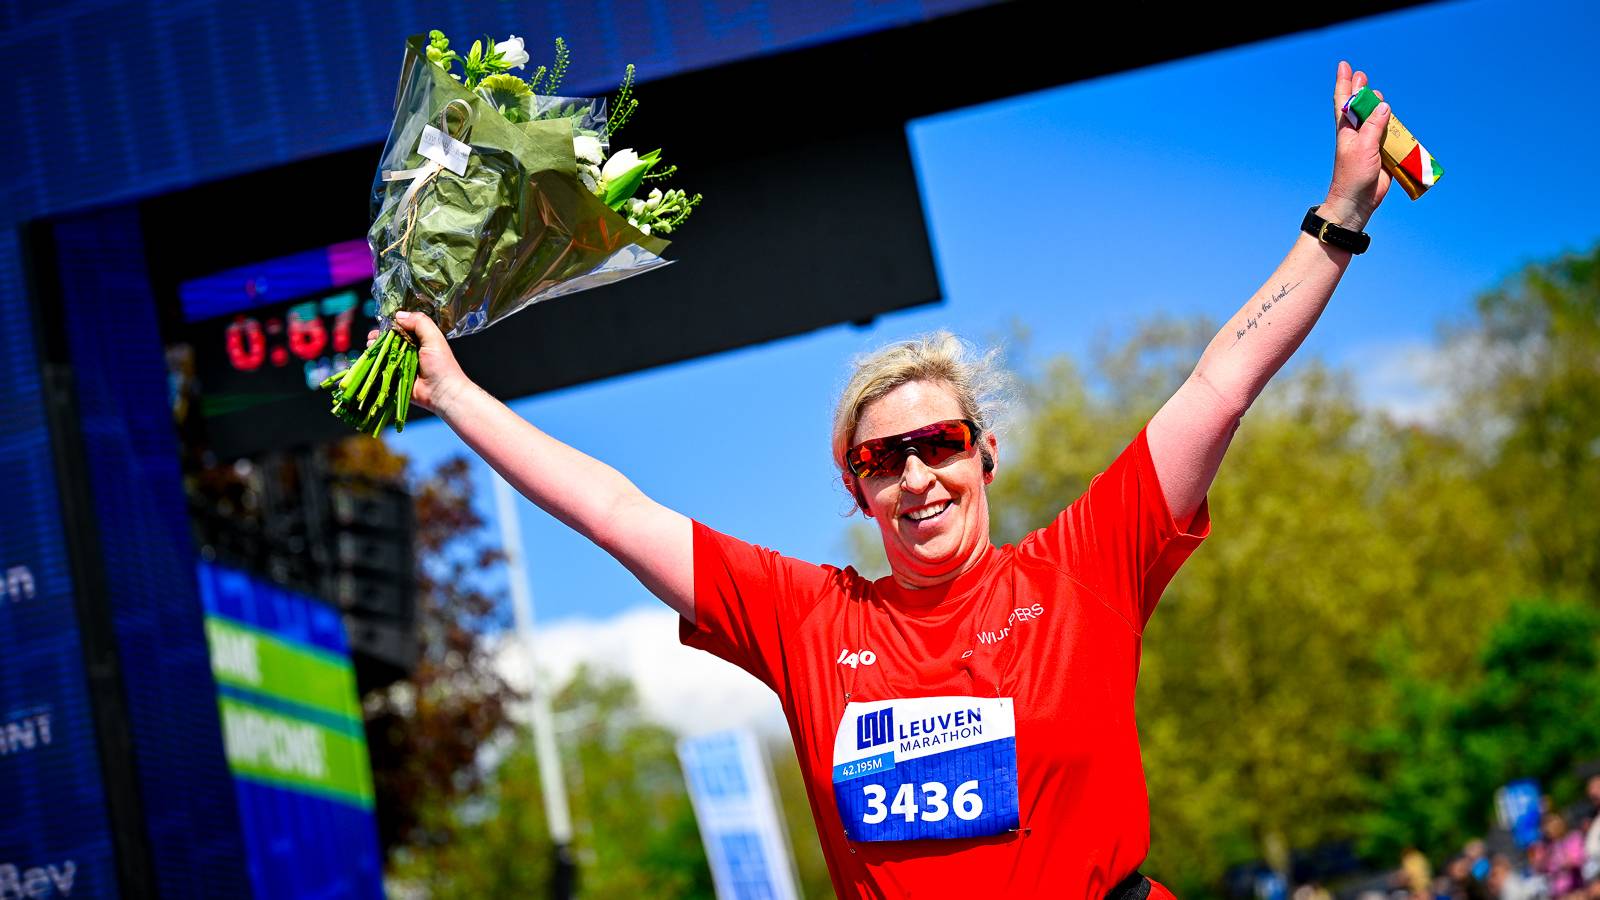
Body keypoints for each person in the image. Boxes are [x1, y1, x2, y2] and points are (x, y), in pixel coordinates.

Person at [380, 60, 1395, 898]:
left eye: (940, 443)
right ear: (855, 491)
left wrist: (1338, 217)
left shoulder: (1083, 568)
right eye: (882, 459)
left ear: (983, 455)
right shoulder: (807, 620)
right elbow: (615, 511)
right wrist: (456, 396)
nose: (917, 476)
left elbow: (1219, 384)